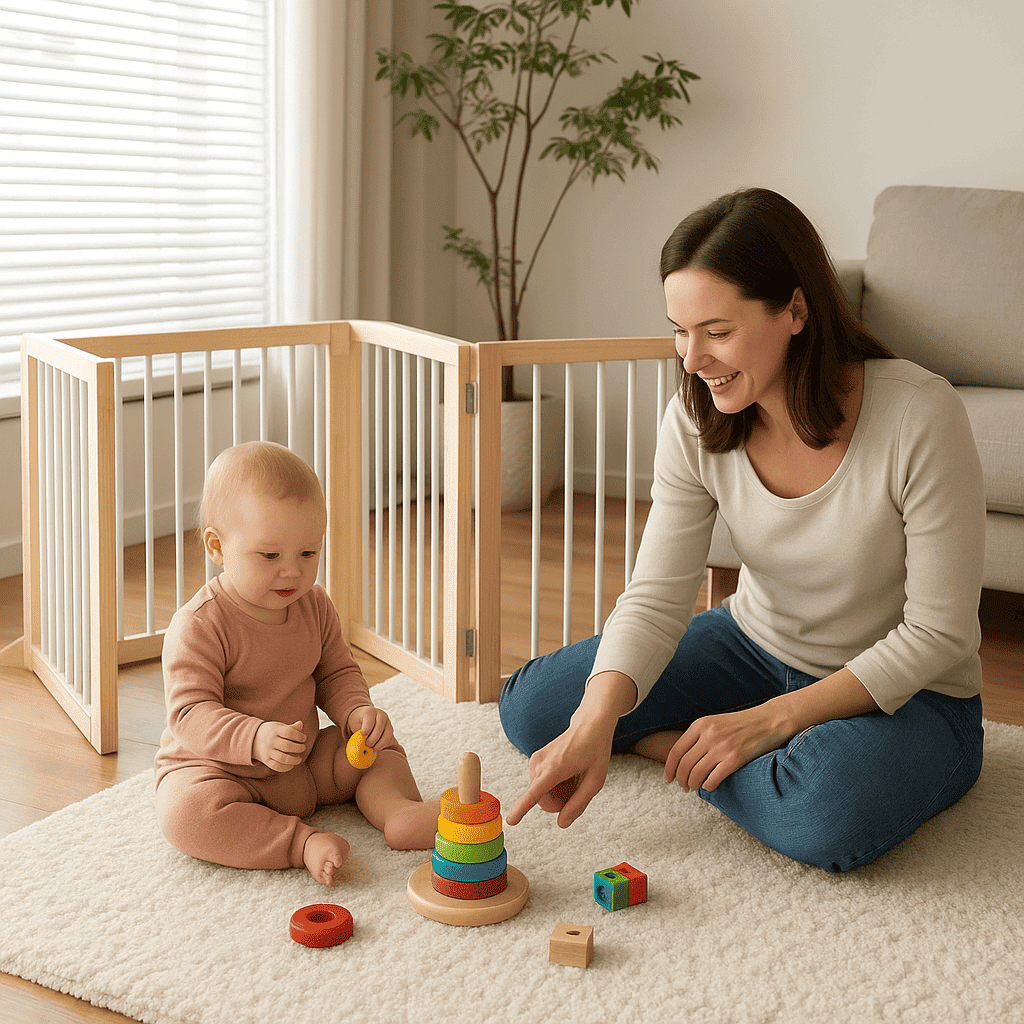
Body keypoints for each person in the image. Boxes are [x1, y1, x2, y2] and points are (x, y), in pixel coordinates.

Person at [499, 187, 987, 872]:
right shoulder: (695, 418)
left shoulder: (919, 415)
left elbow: (940, 634)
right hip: (754, 647)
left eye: (717, 332)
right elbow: (657, 595)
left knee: (819, 810)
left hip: (914, 696)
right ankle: (715, 750)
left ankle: (694, 750)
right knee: (538, 711)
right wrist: (594, 722)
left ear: (795, 311)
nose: (691, 359)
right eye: (680, 330)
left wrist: (772, 721)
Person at [155, 441, 439, 885]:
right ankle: (298, 843)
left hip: (304, 765)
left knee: (376, 746)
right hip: (222, 772)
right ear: (217, 546)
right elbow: (190, 714)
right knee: (184, 814)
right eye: (270, 556)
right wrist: (254, 738)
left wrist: (356, 712)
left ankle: (398, 812)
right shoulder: (199, 625)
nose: (292, 571)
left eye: (308, 553)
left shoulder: (315, 605)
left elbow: (336, 673)